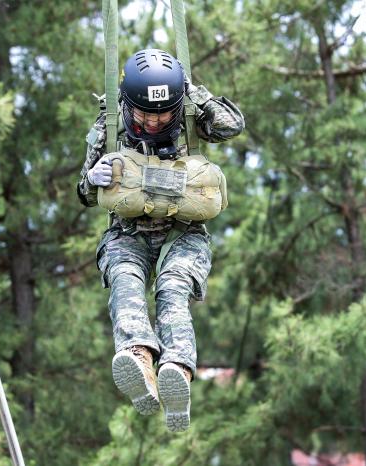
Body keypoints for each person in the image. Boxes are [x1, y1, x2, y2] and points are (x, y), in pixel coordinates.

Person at [76, 48, 244, 432]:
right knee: (123, 278)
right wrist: (93, 178)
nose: (153, 123)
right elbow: (85, 193)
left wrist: (193, 95)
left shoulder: (188, 117)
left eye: (162, 114)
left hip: (183, 234)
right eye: (144, 114)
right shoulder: (110, 127)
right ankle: (137, 357)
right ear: (127, 105)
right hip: (128, 232)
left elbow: (231, 125)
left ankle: (177, 370)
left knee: (173, 286)